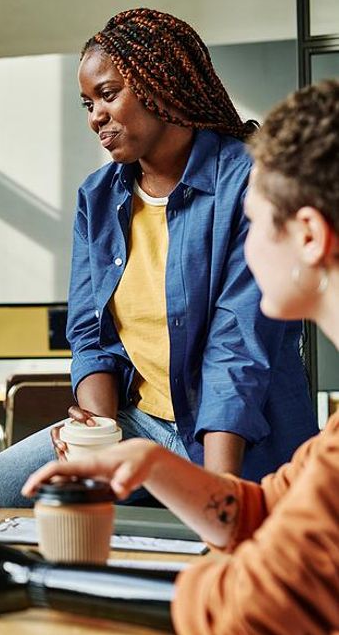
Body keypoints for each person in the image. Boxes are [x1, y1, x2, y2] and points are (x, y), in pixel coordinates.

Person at [0, 8, 317, 507]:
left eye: (108, 94)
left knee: (214, 547)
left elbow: (238, 348)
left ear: (162, 86)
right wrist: (100, 437)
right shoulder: (98, 197)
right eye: (87, 103)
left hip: (241, 437)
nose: (95, 117)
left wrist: (220, 496)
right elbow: (90, 333)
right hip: (137, 423)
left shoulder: (247, 182)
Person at [17, 77, 339, 634]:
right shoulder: (330, 449)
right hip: (145, 426)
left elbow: (251, 604)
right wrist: (153, 461)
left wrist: (37, 584)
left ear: (308, 235)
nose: (245, 239)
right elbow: (265, 511)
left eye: (257, 221)